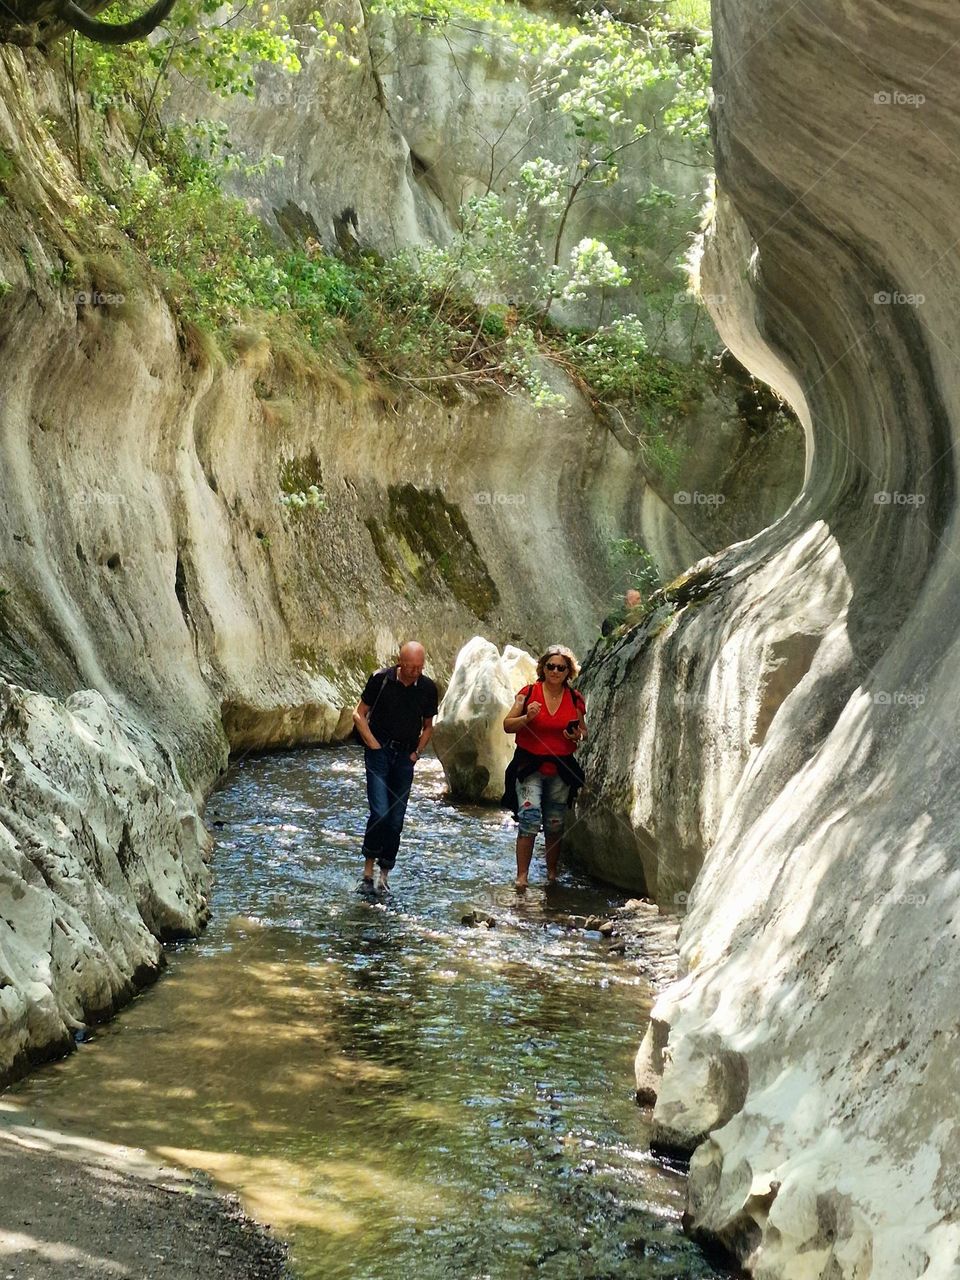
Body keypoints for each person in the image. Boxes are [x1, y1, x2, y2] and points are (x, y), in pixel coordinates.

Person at [353, 641, 438, 894]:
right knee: (380, 812)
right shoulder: (381, 679)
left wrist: (417, 753)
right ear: (399, 662)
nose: (415, 672)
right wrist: (373, 745)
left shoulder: (427, 688)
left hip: (405, 757)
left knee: (396, 819)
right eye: (410, 666)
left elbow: (429, 725)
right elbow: (359, 714)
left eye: (419, 667)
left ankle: (384, 875)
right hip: (379, 752)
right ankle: (367, 874)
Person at [502, 645, 587, 889]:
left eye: (561, 667)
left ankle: (551, 875)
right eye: (551, 666)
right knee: (529, 818)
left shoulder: (575, 698)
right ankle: (522, 878)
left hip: (561, 769)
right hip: (530, 767)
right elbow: (508, 725)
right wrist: (527, 717)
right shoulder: (527, 693)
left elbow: (583, 731)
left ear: (568, 671)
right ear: (543, 668)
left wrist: (576, 736)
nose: (555, 671)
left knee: (555, 822)